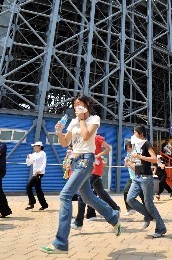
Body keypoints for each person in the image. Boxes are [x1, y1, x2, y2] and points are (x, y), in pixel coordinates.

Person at [40, 95, 120, 255]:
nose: (77, 107)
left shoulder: (94, 119)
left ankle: (60, 243)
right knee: (88, 197)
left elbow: (86, 136)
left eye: (80, 104)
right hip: (75, 161)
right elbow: (65, 143)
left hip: (86, 159)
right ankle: (113, 217)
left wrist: (82, 119)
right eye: (75, 105)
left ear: (87, 105)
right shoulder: (73, 122)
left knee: (65, 195)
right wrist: (59, 132)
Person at [72, 134, 121, 230]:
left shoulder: (97, 138)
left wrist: (98, 155)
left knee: (82, 194)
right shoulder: (83, 139)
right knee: (100, 192)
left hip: (95, 169)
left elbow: (107, 148)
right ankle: (115, 209)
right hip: (86, 168)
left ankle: (78, 222)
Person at [126, 125, 167, 238]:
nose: (134, 135)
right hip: (137, 177)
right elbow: (136, 163)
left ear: (141, 133)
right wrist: (130, 162)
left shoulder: (146, 144)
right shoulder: (135, 145)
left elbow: (154, 159)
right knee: (130, 199)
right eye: (133, 132)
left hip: (146, 178)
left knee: (149, 204)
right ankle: (147, 216)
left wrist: (140, 157)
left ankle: (161, 228)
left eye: (135, 132)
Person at [25, 141, 49, 211]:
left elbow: (44, 163)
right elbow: (29, 164)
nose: (34, 147)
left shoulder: (42, 153)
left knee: (28, 186)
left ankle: (32, 202)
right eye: (34, 146)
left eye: (35, 146)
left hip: (39, 173)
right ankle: (44, 205)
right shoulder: (33, 154)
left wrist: (40, 170)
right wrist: (28, 158)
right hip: (34, 173)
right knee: (38, 189)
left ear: (39, 146)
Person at [123, 141, 145, 216]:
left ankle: (150, 212)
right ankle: (130, 209)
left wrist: (129, 161)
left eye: (128, 148)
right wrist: (126, 161)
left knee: (143, 196)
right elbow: (125, 165)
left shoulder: (136, 154)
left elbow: (136, 168)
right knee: (126, 191)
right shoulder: (128, 154)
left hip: (139, 177)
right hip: (132, 178)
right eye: (127, 149)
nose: (127, 150)